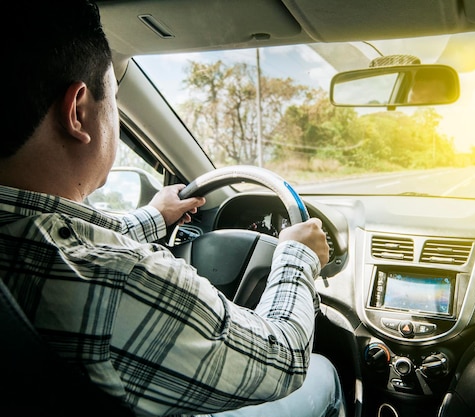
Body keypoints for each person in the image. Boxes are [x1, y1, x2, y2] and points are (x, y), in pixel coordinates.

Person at [0, 1, 345, 417]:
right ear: (78, 112)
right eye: (116, 96)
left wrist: (155, 215)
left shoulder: (25, 232)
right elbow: (282, 360)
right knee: (323, 372)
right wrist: (298, 256)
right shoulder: (119, 276)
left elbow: (68, 234)